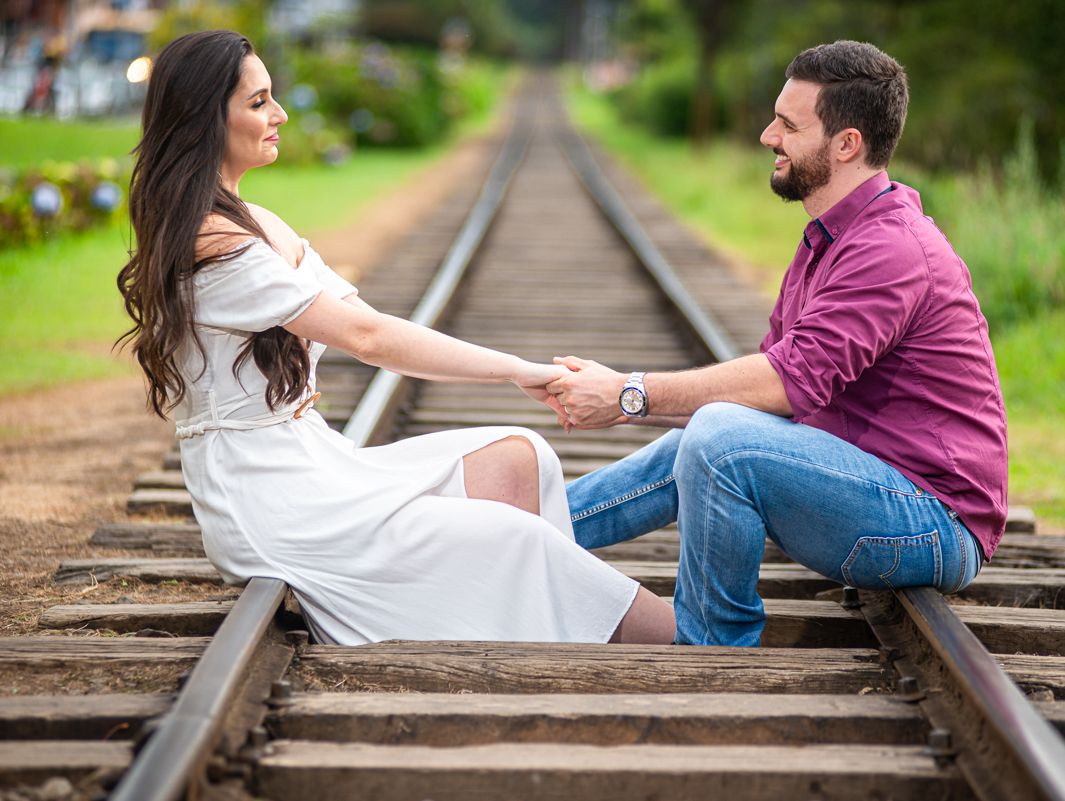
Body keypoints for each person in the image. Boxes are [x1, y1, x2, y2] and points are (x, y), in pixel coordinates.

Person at [116, 30, 674, 647]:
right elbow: (368, 338)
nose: (280, 115)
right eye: (258, 102)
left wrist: (515, 368)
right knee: (517, 539)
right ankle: (679, 640)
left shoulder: (257, 222)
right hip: (266, 494)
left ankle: (527, 623)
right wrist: (519, 369)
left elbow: (369, 318)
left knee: (520, 454)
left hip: (314, 462)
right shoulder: (212, 242)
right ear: (204, 118)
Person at [548, 40, 1008, 648]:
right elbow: (757, 400)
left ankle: (714, 652)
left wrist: (630, 393)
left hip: (933, 522)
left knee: (721, 439)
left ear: (846, 144)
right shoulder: (831, 238)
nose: (768, 136)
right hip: (874, 488)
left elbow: (784, 384)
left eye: (789, 126)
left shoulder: (891, 248)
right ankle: (530, 528)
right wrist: (619, 408)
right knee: (712, 432)